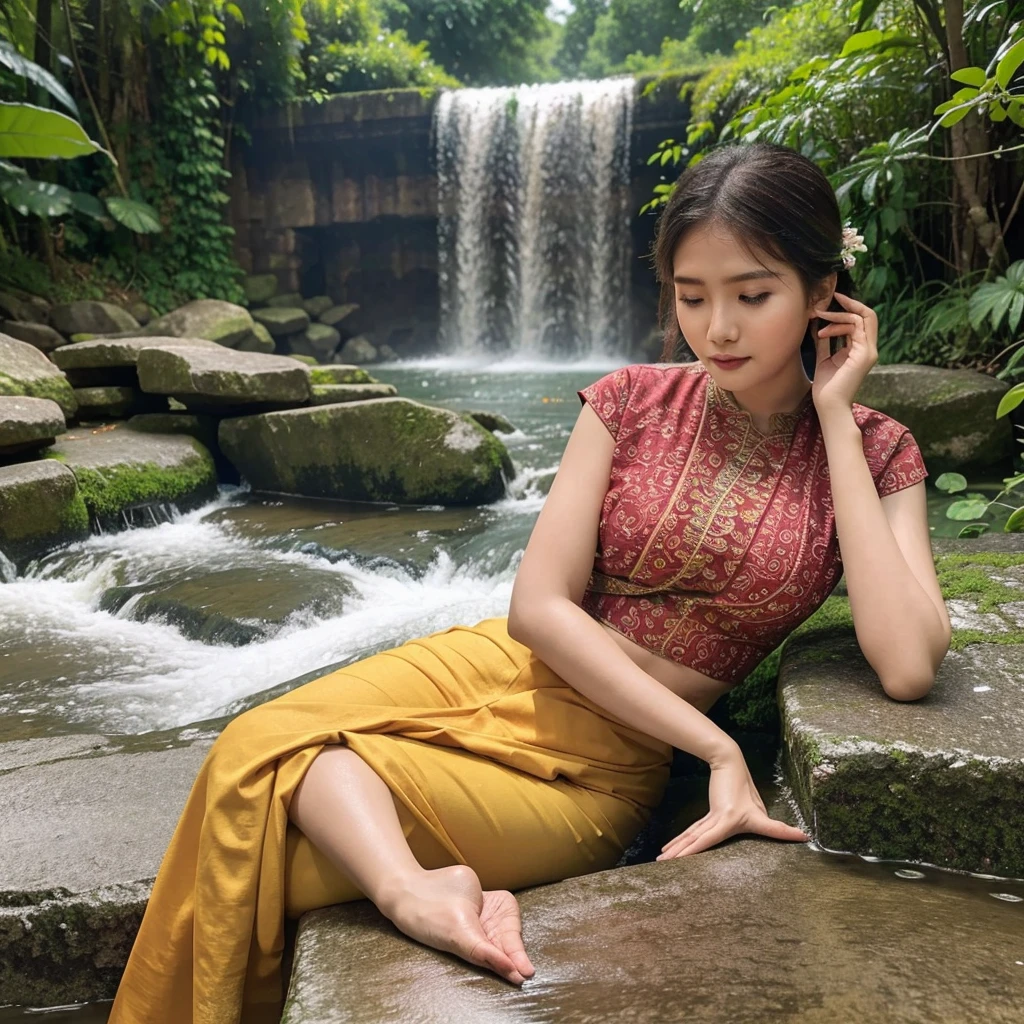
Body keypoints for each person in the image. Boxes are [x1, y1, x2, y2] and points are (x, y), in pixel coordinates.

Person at [107, 141, 952, 1024]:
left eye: (753, 295)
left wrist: (835, 420)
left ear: (825, 295)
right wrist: (716, 749)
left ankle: (405, 888)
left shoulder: (880, 451)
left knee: (261, 836)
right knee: (254, 745)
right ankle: (414, 892)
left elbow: (905, 664)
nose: (719, 329)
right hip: (495, 667)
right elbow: (538, 608)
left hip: (599, 767)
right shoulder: (626, 402)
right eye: (691, 297)